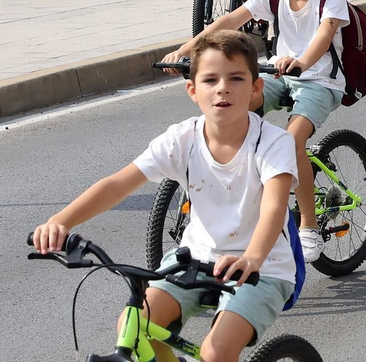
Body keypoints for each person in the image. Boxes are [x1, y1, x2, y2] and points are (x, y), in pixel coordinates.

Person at [34, 31, 300, 362]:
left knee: (215, 353)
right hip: (195, 257)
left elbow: (275, 206)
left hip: (262, 266)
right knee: (133, 327)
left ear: (256, 88)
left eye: (235, 78)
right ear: (192, 90)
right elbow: (118, 184)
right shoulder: (182, 139)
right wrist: (60, 221)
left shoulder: (273, 143)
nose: (222, 88)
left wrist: (253, 258)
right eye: (210, 79)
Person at [161, 0, 346, 263]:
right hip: (278, 73)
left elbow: (324, 35)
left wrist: (302, 63)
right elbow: (228, 21)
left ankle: (308, 225)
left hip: (319, 80)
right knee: (233, 115)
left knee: (291, 143)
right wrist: (186, 50)